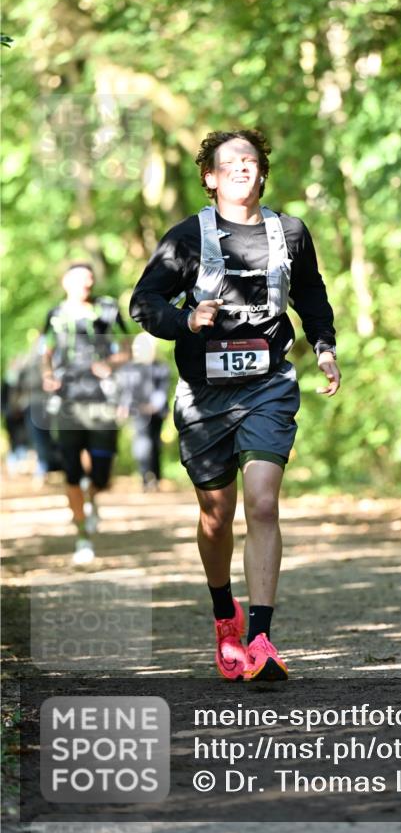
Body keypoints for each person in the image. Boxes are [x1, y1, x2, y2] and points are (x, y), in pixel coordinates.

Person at [130, 128, 340, 681]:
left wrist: (324, 348)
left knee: (263, 503)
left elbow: (310, 293)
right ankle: (226, 614)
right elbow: (143, 302)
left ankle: (262, 639)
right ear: (210, 177)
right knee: (216, 515)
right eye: (230, 163)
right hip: (204, 397)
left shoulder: (289, 232)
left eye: (250, 160)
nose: (242, 168)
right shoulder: (186, 238)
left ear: (262, 171)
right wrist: (186, 319)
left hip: (268, 384)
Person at [42, 262, 128, 565]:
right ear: (66, 282)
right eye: (80, 280)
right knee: (71, 470)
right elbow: (46, 352)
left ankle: (91, 495)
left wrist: (110, 364)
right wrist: (47, 375)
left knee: (101, 474)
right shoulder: (55, 315)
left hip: (101, 398)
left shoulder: (107, 310)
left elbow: (126, 348)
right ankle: (82, 536)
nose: (86, 285)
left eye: (90, 280)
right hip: (67, 400)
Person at [119, 333, 171, 491]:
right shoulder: (130, 368)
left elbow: (162, 390)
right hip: (138, 412)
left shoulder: (161, 367)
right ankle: (144, 478)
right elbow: (126, 391)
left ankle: (156, 478)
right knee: (141, 444)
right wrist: (124, 406)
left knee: (155, 444)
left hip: (156, 413)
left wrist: (154, 405)